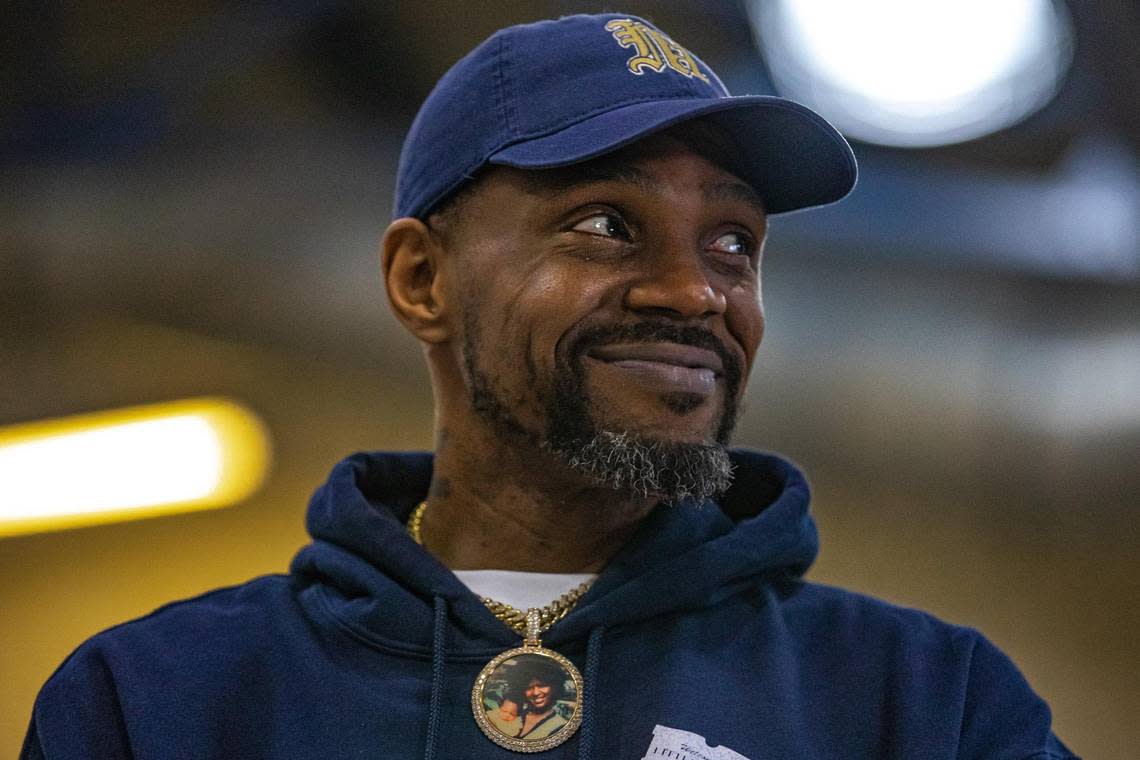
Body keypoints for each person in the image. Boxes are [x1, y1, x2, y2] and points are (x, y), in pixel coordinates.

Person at [22, 13, 1077, 760]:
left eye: (732, 243)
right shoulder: (160, 700)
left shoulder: (924, 701)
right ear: (420, 278)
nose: (695, 291)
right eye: (608, 225)